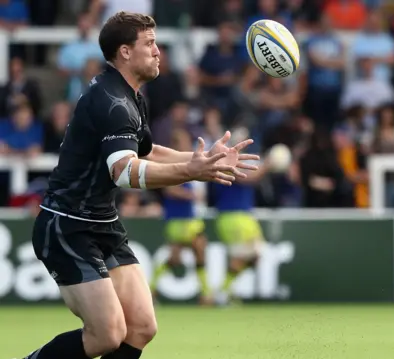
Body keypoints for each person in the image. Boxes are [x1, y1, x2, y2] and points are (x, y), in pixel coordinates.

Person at [23, 12, 259, 359]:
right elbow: (124, 171)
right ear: (125, 53)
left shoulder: (130, 96)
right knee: (107, 334)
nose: (158, 51)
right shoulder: (112, 101)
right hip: (67, 225)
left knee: (142, 328)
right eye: (149, 43)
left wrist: (204, 159)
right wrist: (191, 171)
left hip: (103, 223)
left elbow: (147, 151)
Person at [149, 128, 212, 305]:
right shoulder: (169, 163)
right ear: (176, 144)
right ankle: (207, 295)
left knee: (177, 258)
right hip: (180, 218)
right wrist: (191, 196)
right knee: (198, 248)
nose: (187, 145)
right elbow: (169, 190)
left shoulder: (186, 161)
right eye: (183, 142)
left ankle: (151, 289)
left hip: (186, 217)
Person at [214, 136, 272, 305]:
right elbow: (249, 178)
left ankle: (225, 290)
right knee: (240, 256)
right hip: (233, 215)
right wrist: (268, 164)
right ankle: (223, 293)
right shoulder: (224, 162)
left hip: (243, 215)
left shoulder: (234, 161)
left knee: (255, 256)